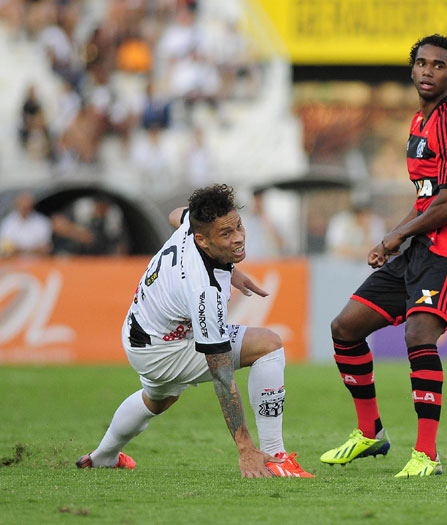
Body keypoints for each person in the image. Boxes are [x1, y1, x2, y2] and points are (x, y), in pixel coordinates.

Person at [319, 35, 447, 477]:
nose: (428, 71)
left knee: (418, 335)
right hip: (424, 245)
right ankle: (369, 432)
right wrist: (393, 236)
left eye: (438, 65)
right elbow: (427, 198)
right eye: (421, 63)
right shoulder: (420, 122)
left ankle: (426, 454)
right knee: (346, 327)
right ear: (412, 70)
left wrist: (394, 238)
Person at [76, 184, 312, 478]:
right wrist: (245, 448)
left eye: (238, 226)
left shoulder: (194, 225)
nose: (238, 238)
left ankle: (104, 456)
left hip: (141, 332)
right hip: (164, 347)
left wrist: (231, 269)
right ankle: (276, 457)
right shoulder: (205, 291)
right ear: (202, 239)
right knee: (268, 345)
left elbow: (176, 215)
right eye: (226, 235)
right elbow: (222, 376)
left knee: (158, 398)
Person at [0, 191, 52, 257]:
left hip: (37, 262)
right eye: (23, 205)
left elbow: (45, 248)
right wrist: (32, 249)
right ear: (17, 204)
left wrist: (19, 249)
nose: (25, 208)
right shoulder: (8, 222)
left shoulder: (42, 222)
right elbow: (6, 247)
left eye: (27, 205)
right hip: (14, 263)